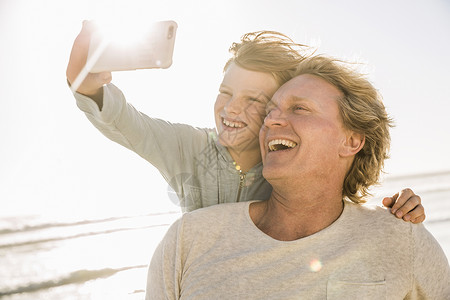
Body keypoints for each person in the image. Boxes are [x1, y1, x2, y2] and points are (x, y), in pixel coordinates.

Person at [145, 55, 450, 299]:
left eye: (299, 108)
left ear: (351, 141)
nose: (272, 119)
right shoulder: (188, 239)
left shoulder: (400, 238)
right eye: (270, 110)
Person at [66, 21, 424, 221]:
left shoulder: (291, 165)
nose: (231, 109)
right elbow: (126, 123)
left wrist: (401, 208)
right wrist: (88, 83)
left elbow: (331, 195)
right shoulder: (188, 147)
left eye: (255, 100)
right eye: (226, 92)